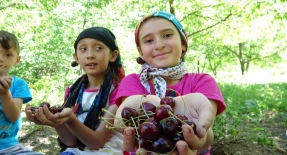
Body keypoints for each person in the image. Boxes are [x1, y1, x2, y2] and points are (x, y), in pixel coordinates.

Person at [115, 11, 226, 155]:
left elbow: (206, 132)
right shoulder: (132, 82)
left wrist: (199, 135)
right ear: (140, 52)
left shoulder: (202, 81)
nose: (159, 45)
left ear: (183, 43)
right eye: (148, 40)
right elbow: (134, 126)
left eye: (167, 35)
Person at [25, 27, 125, 155]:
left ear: (113, 55)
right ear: (76, 57)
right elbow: (71, 141)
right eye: (83, 49)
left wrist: (71, 119)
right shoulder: (72, 92)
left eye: (98, 48)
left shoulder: (118, 92)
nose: (90, 55)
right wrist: (56, 122)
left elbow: (97, 142)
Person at [0, 31, 44, 154]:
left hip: (9, 148)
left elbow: (13, 117)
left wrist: (4, 93)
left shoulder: (19, 84)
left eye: (7, 55)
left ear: (17, 59)